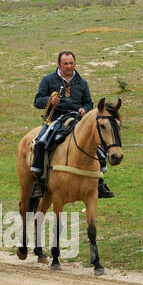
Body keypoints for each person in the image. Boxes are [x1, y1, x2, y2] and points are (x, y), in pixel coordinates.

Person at [29, 51, 113, 199]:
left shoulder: (82, 82)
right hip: (54, 120)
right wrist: (50, 100)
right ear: (59, 65)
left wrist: (84, 109)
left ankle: (99, 182)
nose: (69, 66)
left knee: (98, 145)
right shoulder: (48, 80)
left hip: (77, 121)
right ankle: (39, 183)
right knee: (41, 142)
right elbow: (37, 101)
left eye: (71, 63)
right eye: (65, 64)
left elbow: (88, 102)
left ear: (75, 63)